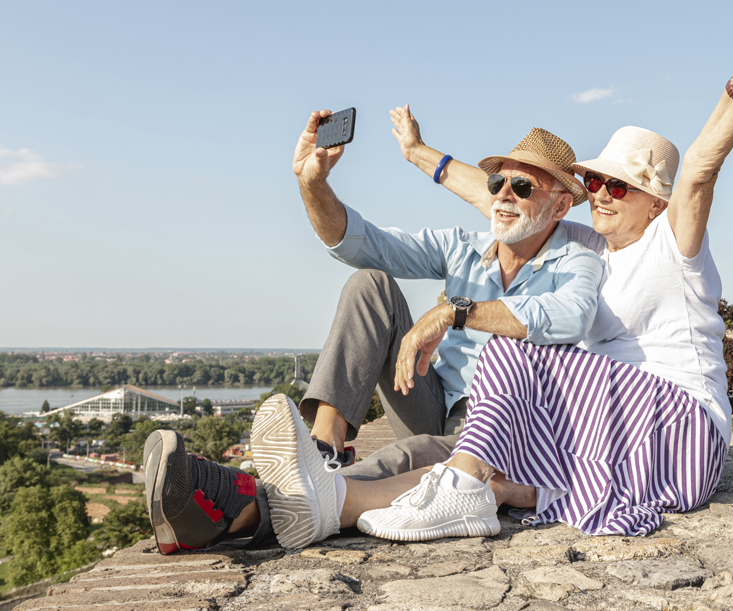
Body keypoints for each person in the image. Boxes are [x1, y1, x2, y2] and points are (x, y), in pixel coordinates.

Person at [352, 5, 733, 540]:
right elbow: (502, 199)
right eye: (595, 182)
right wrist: (417, 153)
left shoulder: (674, 244)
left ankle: (460, 491)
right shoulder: (587, 244)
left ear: (657, 204)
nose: (600, 194)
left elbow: (697, 173)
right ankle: (339, 501)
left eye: (619, 187)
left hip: (682, 430)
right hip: (620, 441)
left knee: (513, 341)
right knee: (505, 442)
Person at [142, 118, 605, 553]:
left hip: (504, 427)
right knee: (371, 284)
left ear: (560, 204)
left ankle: (247, 509)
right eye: (496, 183)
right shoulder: (464, 248)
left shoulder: (578, 257)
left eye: (521, 187)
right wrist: (313, 184)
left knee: (414, 455)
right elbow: (358, 241)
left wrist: (456, 312)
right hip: (436, 398)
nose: (504, 195)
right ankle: (323, 450)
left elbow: (572, 316)